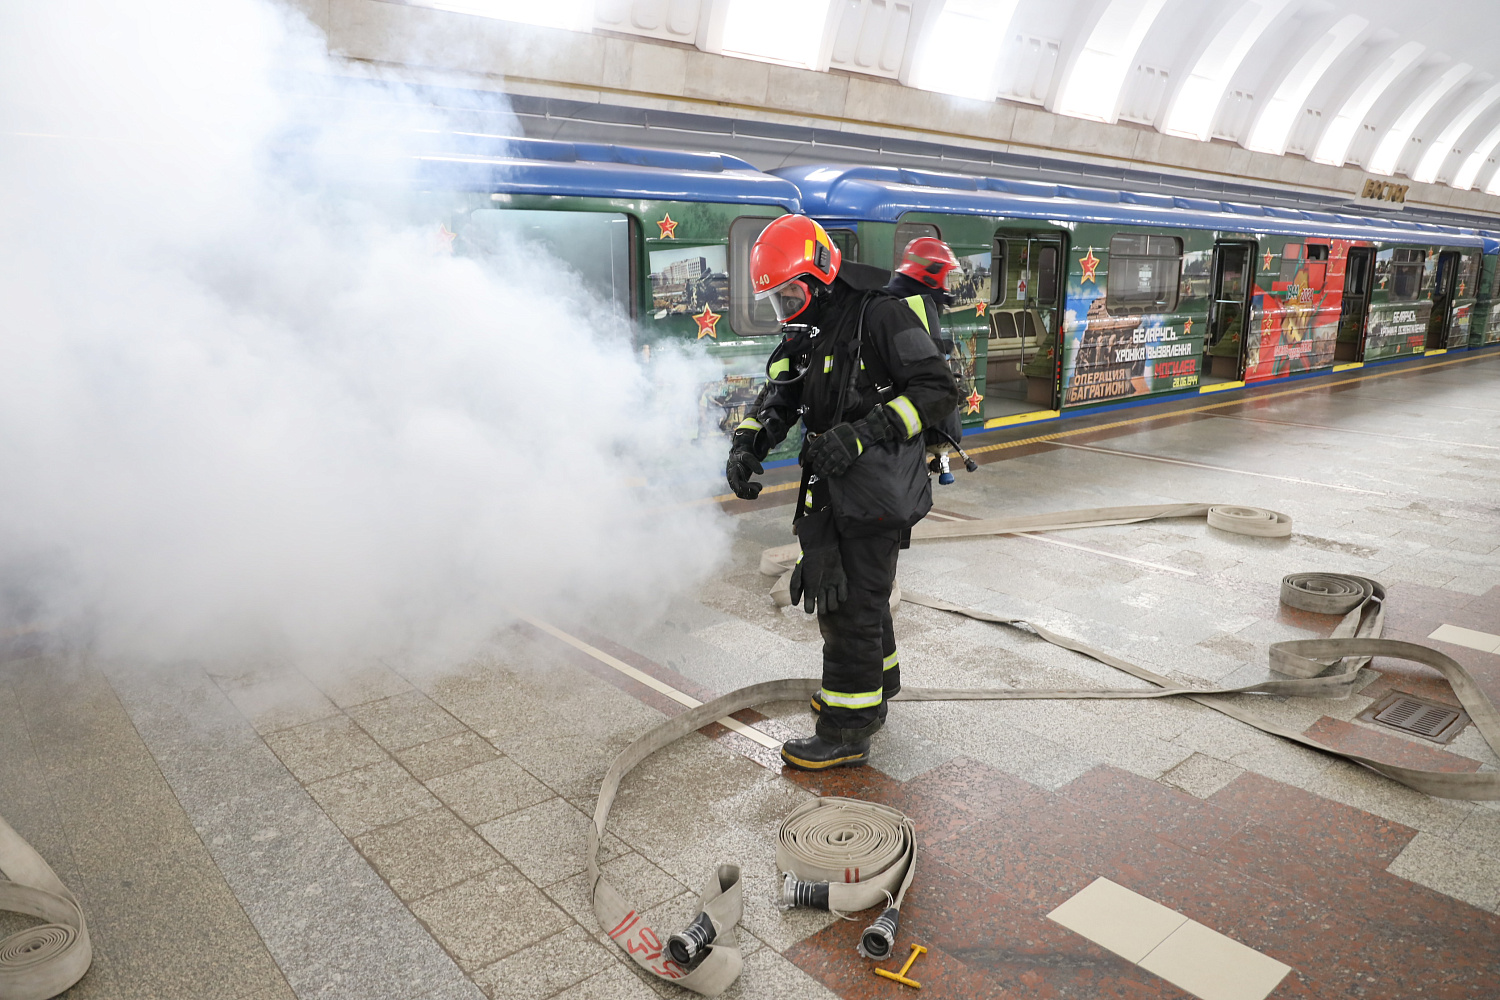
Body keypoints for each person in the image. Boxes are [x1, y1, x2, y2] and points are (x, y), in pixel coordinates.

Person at [724, 215, 959, 770]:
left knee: (849, 605)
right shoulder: (807, 329)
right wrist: (747, 445)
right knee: (862, 596)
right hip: (833, 487)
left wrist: (863, 433)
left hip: (876, 490)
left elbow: (936, 390)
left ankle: (847, 728)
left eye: (791, 295)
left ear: (822, 273)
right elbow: (778, 397)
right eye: (777, 301)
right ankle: (878, 685)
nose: (786, 310)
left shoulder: (879, 314)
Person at [885, 237, 965, 484]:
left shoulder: (886, 300)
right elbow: (932, 379)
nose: (947, 285)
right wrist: (943, 439)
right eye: (945, 275)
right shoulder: (919, 305)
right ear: (931, 273)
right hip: (905, 433)